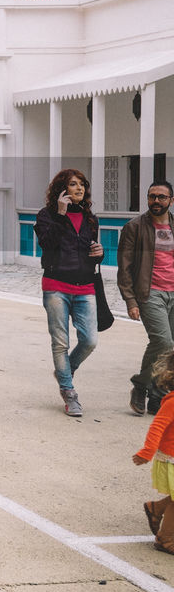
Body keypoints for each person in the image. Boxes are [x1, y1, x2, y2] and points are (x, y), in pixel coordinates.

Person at [34, 168, 103, 417]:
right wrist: (61, 216)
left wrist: (99, 253)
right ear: (62, 189)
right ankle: (69, 391)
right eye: (74, 184)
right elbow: (47, 245)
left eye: (82, 184)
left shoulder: (90, 218)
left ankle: (65, 370)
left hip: (84, 285)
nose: (80, 188)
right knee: (60, 342)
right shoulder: (46, 216)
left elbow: (90, 249)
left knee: (90, 340)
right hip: (56, 285)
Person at [119, 181, 174, 416]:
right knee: (163, 342)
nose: (156, 201)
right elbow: (125, 267)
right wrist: (131, 301)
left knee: (171, 350)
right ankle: (140, 384)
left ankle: (156, 396)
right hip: (149, 292)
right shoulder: (135, 227)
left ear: (171, 200)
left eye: (162, 197)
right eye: (152, 196)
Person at [133, 354, 174, 556]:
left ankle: (156, 509)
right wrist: (147, 452)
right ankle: (165, 539)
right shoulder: (172, 402)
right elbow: (157, 426)